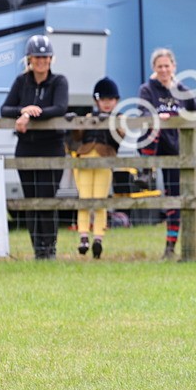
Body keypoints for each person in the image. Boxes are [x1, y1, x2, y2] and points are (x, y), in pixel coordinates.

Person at [0, 35, 69, 260]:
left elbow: (59, 108)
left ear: (51, 59)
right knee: (30, 200)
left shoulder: (59, 81)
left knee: (46, 199)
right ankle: (37, 248)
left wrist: (31, 113)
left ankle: (49, 248)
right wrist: (23, 110)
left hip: (52, 147)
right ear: (29, 58)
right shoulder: (22, 82)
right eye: (37, 57)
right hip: (26, 148)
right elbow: (5, 109)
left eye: (45, 57)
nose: (41, 61)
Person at [139, 48, 196, 259]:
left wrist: (179, 119)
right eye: (159, 66)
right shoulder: (147, 89)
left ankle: (170, 247)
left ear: (173, 67)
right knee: (152, 126)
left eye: (167, 66)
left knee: (175, 200)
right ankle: (146, 171)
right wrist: (157, 117)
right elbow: (144, 112)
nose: (164, 70)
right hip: (154, 147)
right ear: (154, 69)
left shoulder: (182, 90)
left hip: (176, 151)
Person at [70, 78, 122, 259]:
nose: (107, 103)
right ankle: (83, 236)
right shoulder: (89, 117)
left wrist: (109, 121)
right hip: (84, 159)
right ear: (97, 101)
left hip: (104, 161)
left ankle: (98, 237)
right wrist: (75, 121)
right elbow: (77, 136)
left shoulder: (119, 118)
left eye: (111, 100)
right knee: (84, 199)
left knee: (100, 200)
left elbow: (121, 136)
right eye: (104, 100)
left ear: (116, 101)